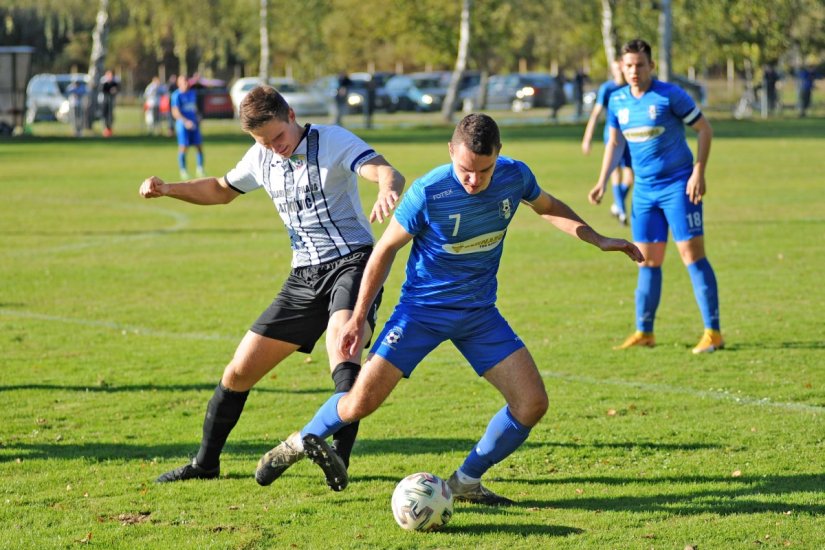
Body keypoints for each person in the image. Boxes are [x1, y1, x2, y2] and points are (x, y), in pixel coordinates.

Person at [255, 113, 643, 503]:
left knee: (531, 403)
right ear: (450, 152)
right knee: (359, 403)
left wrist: (597, 239)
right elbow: (385, 250)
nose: (473, 180)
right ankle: (294, 444)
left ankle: (466, 482)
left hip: (479, 315)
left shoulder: (515, 176)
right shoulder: (429, 191)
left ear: (499, 156)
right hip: (420, 313)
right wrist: (358, 317)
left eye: (484, 170)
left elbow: (549, 205)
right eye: (465, 170)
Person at [139, 85, 405, 483]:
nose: (274, 147)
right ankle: (205, 464)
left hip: (353, 263)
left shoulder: (331, 141)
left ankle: (339, 457)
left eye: (278, 136)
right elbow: (220, 189)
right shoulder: (261, 156)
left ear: (292, 115)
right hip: (303, 277)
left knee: (344, 350)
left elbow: (384, 169)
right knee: (238, 372)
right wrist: (168, 189)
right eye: (263, 141)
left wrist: (386, 187)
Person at [588, 38, 723, 354]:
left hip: (679, 186)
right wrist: (602, 181)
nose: (634, 71)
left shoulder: (669, 95)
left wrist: (698, 172)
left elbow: (704, 129)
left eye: (640, 65)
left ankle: (714, 332)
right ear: (622, 67)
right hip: (644, 192)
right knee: (645, 260)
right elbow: (615, 144)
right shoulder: (618, 101)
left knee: (692, 255)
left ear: (651, 66)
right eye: (629, 65)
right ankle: (644, 331)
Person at [581, 60, 634, 225]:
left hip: (630, 136)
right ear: (613, 70)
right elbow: (596, 114)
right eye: (616, 68)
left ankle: (617, 205)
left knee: (630, 176)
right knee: (615, 171)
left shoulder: (632, 88)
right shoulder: (607, 88)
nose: (619, 71)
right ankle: (622, 211)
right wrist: (588, 137)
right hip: (612, 136)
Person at [170, 75, 205, 179]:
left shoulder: (192, 93)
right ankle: (183, 171)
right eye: (183, 82)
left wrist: (198, 116)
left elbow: (193, 108)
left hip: (194, 124)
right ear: (179, 84)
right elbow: (175, 112)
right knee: (183, 147)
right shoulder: (176, 95)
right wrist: (185, 122)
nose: (186, 84)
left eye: (187, 82)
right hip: (182, 126)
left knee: (199, 146)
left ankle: (200, 169)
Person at [100, 70, 120, 137]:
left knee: (110, 116)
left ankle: (109, 130)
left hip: (111, 101)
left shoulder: (114, 82)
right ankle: (105, 129)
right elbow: (103, 90)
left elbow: (117, 89)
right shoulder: (104, 82)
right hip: (105, 101)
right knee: (105, 116)